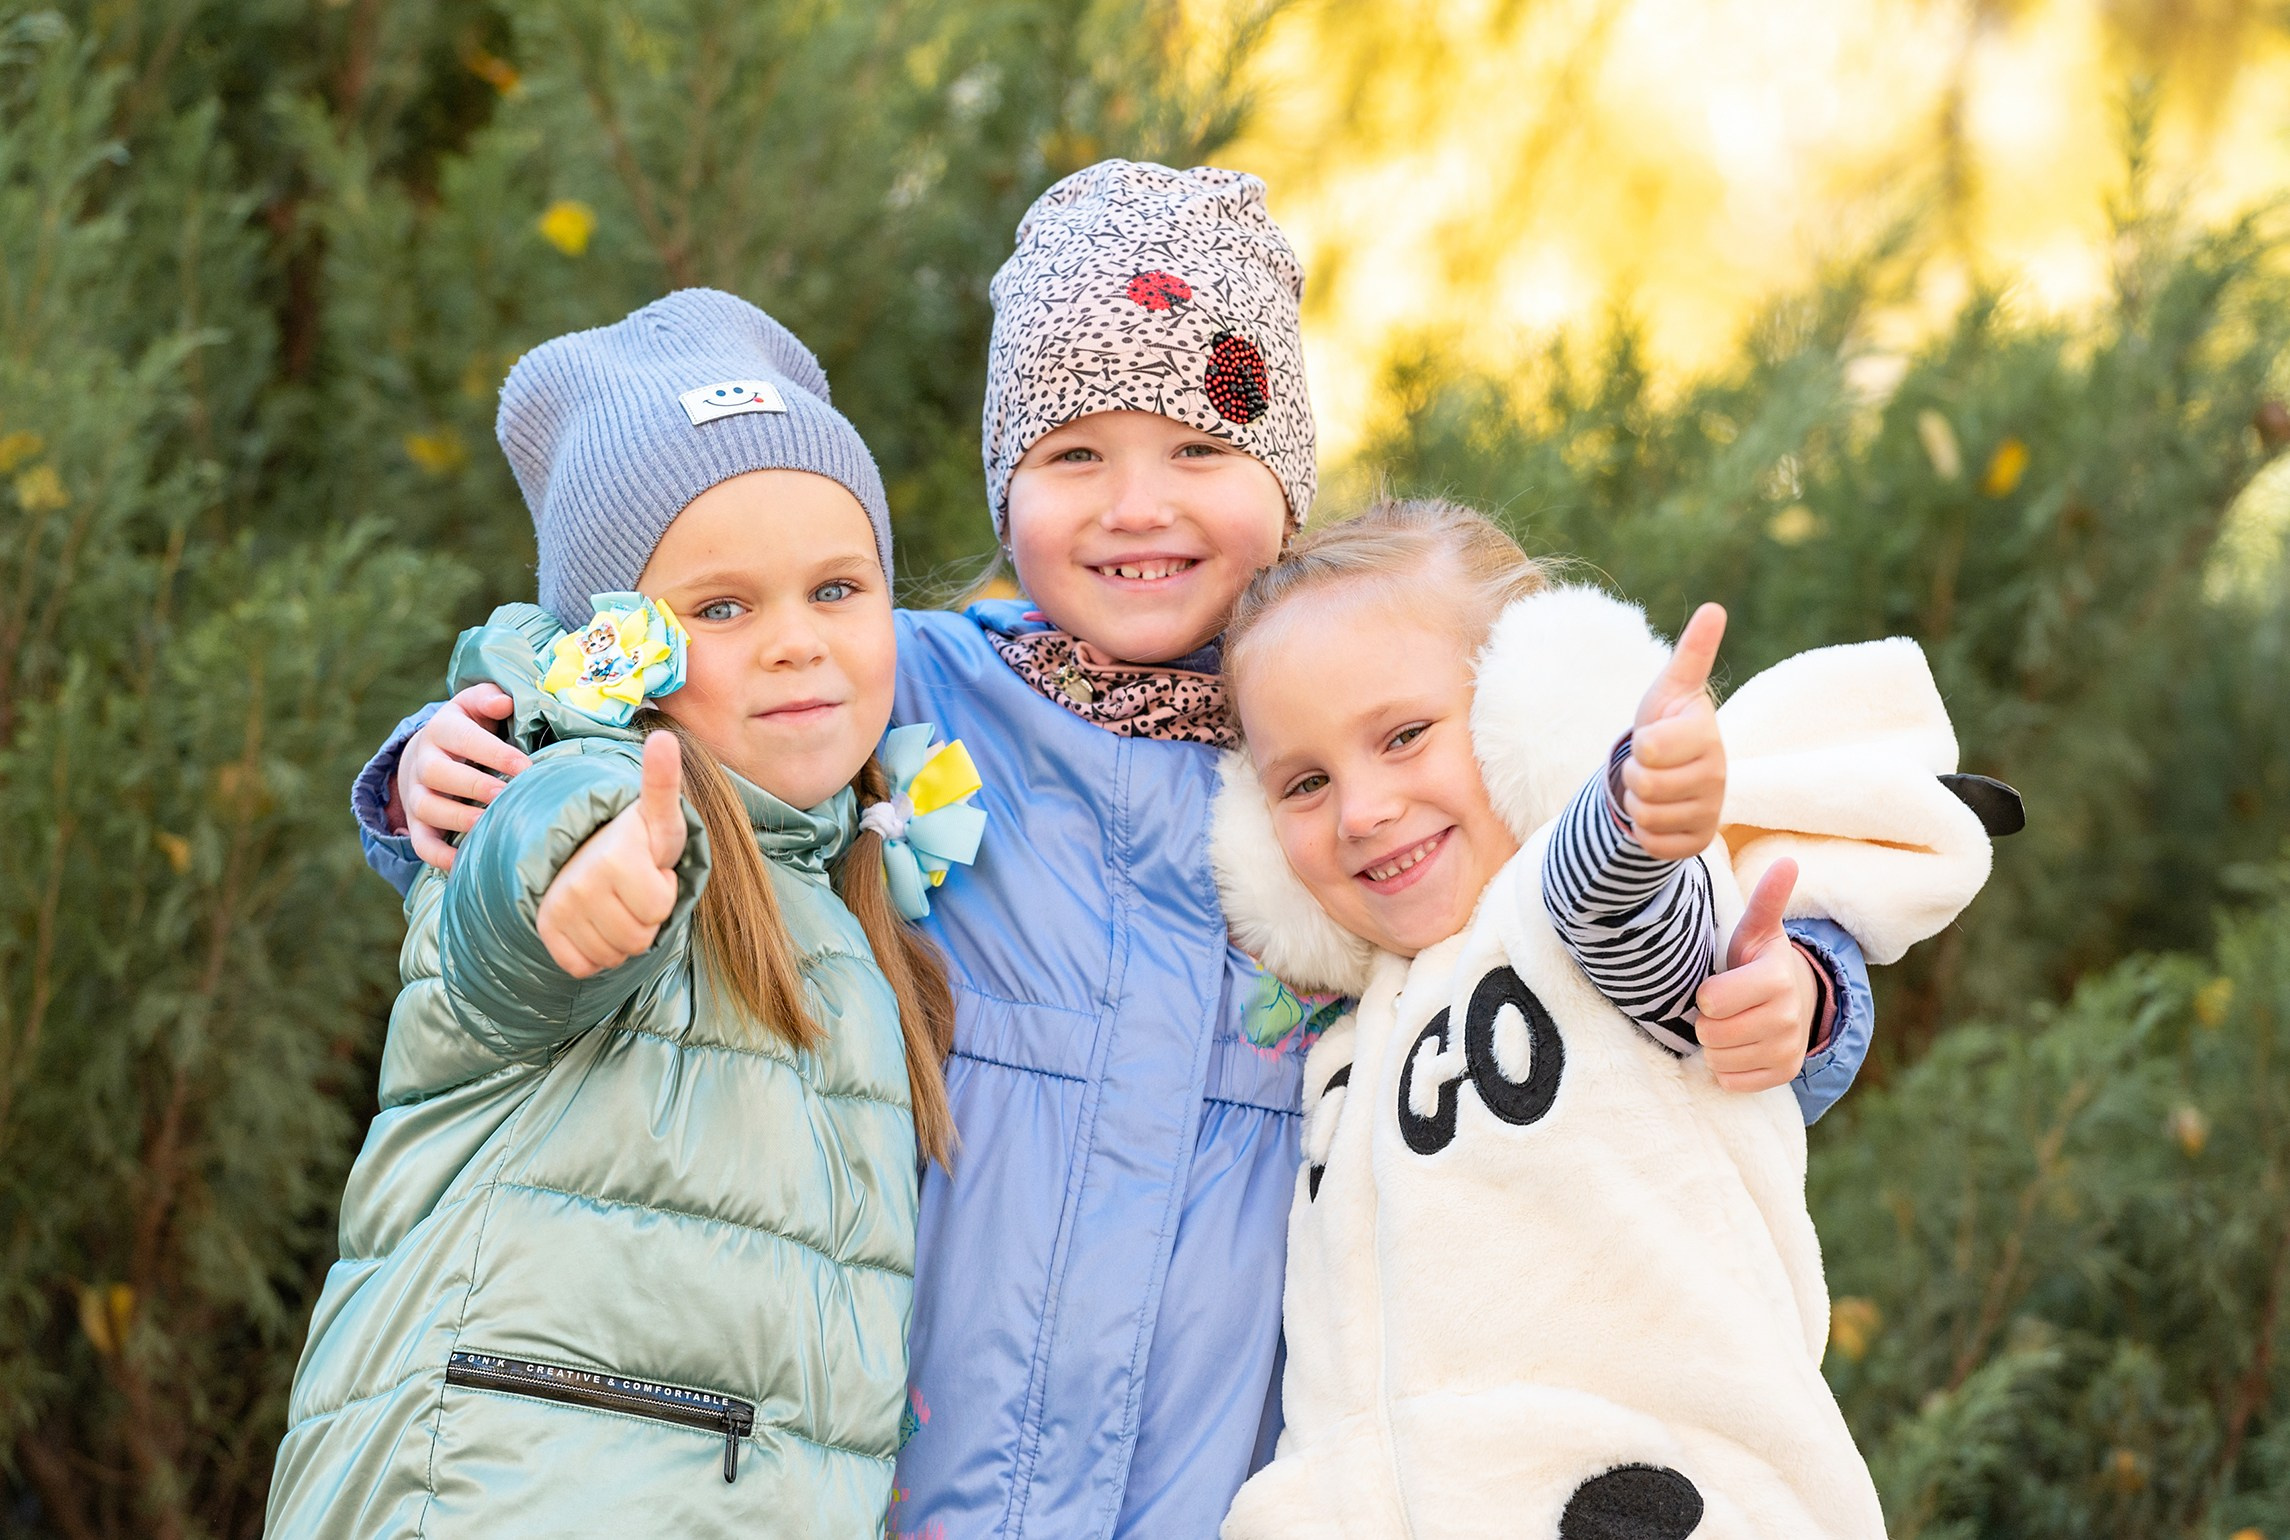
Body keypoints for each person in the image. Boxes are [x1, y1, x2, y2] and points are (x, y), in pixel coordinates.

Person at [350, 163, 1881, 1538]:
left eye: (1197, 449)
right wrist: (446, 765)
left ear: (1282, 476)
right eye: (1073, 452)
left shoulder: (1358, 742)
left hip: (1205, 1481)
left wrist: (1801, 996)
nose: (1135, 506)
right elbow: (642, 714)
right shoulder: (898, 685)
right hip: (885, 1466)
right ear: (1003, 482)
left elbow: (1578, 892)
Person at [268, 290, 965, 1538]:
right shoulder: (593, 794)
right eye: (723, 608)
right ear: (618, 650)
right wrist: (575, 894)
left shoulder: (842, 890)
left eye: (838, 588)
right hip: (494, 1491)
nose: (800, 643)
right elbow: (513, 900)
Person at [1210, 498, 2001, 1539]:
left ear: (1525, 715)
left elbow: (1628, 912)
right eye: (1304, 782)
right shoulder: (1349, 1045)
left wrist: (1634, 805)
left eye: (1404, 736)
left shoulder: (1564, 915)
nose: (1360, 810)